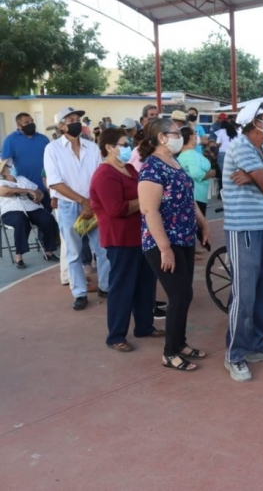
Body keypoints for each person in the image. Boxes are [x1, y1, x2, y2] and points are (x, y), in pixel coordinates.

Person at [221, 97, 263, 382]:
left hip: (262, 226)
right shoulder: (241, 147)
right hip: (243, 229)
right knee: (244, 294)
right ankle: (235, 354)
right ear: (255, 121)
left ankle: (257, 345)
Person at [138, 117, 211, 372]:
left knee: (185, 294)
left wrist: (203, 223)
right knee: (179, 295)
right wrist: (165, 249)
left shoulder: (174, 162)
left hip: (184, 237)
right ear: (161, 137)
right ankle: (170, 352)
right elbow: (150, 211)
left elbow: (187, 198)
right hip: (162, 242)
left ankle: (180, 343)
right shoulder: (151, 168)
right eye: (175, 132)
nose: (179, 136)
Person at [89, 128, 163, 352]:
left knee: (145, 284)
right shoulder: (104, 175)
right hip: (120, 239)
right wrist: (144, 200)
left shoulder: (129, 168)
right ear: (109, 147)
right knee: (122, 287)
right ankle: (116, 335)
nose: (127, 146)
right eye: (123, 144)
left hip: (141, 235)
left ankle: (144, 326)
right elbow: (116, 209)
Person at [44, 106, 110, 310]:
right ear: (62, 126)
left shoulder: (91, 147)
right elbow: (54, 182)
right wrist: (83, 201)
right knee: (74, 252)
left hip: (94, 205)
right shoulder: (52, 149)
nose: (76, 123)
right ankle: (79, 292)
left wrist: (92, 202)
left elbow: (99, 176)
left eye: (77, 119)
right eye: (71, 119)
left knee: (103, 249)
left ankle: (105, 286)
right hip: (69, 206)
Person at [0, 158, 59, 268]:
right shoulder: (1, 182)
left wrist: (38, 197)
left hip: (31, 207)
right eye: (5, 167)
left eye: (7, 166)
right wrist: (26, 191)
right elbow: (4, 191)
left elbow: (38, 191)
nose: (8, 168)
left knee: (47, 218)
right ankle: (19, 257)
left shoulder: (21, 179)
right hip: (11, 210)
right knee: (21, 221)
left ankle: (49, 251)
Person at [176, 125, 216, 253]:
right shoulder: (190, 155)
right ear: (190, 137)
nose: (197, 136)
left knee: (194, 222)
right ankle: (198, 245)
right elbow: (196, 173)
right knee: (197, 222)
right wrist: (209, 174)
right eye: (195, 134)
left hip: (198, 192)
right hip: (196, 193)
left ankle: (194, 247)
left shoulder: (190, 154)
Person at [2, 113, 52, 212]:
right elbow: (5, 164)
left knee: (47, 218)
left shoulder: (43, 139)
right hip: (26, 188)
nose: (31, 124)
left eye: (32, 121)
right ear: (19, 126)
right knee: (32, 219)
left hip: (45, 186)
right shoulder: (10, 140)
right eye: (27, 122)